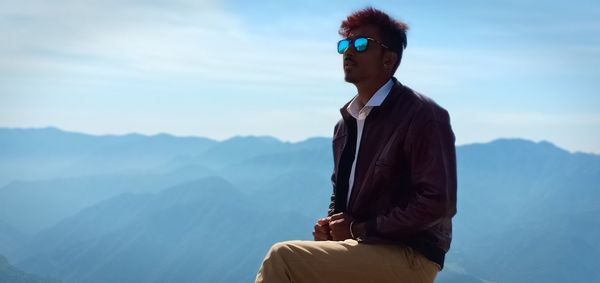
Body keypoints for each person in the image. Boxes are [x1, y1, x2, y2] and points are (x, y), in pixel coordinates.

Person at [255, 7, 456, 283]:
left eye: (361, 44)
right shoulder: (345, 125)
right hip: (366, 248)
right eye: (344, 44)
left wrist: (361, 229)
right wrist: (331, 227)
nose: (349, 52)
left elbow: (437, 203)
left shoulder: (422, 115)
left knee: (283, 258)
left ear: (388, 59)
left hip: (412, 255)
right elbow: (341, 197)